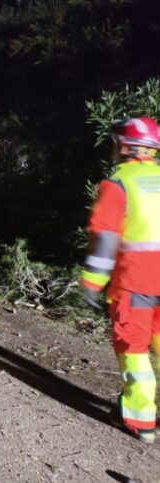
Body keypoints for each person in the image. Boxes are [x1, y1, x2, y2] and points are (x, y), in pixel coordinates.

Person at [81, 116, 160, 444]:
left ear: (125, 147)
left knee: (133, 347)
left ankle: (141, 419)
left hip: (136, 280)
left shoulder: (119, 184)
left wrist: (91, 281)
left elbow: (105, 241)